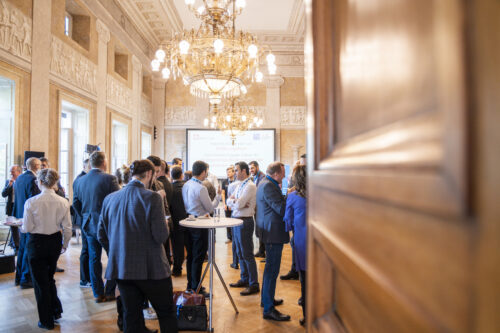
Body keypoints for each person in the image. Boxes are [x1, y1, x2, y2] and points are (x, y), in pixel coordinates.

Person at [98, 159, 178, 333]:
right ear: (149, 174)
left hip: (122, 267)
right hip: (152, 268)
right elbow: (160, 236)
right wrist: (166, 223)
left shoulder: (110, 199)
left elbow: (101, 235)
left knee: (131, 314)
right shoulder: (153, 197)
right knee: (166, 312)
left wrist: (117, 252)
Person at [22, 168, 72, 330]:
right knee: (49, 278)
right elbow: (68, 228)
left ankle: (46, 320)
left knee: (40, 283)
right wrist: (64, 244)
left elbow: (27, 227)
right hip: (54, 242)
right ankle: (55, 311)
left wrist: (21, 226)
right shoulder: (63, 202)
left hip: (37, 242)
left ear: (41, 182)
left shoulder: (31, 202)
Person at [73, 151, 120, 303]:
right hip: (106, 224)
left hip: (88, 224)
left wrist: (85, 215)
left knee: (94, 258)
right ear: (104, 162)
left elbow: (76, 203)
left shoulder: (79, 180)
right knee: (114, 257)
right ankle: (111, 291)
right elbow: (117, 202)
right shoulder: (109, 178)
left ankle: (98, 293)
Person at [256, 161, 290, 321]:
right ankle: (269, 309)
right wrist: (291, 196)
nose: (284, 176)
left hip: (269, 231)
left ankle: (266, 300)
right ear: (276, 173)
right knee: (272, 270)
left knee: (270, 269)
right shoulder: (269, 185)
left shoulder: (265, 182)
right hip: (273, 233)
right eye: (283, 173)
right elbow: (281, 209)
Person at [182, 160, 221, 297]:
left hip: (188, 221)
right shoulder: (201, 188)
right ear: (203, 172)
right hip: (200, 223)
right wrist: (218, 196)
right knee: (198, 257)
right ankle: (196, 287)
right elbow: (211, 208)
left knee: (191, 256)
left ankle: (190, 285)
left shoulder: (186, 184)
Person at [227, 162, 260, 296]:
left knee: (247, 253)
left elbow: (239, 204)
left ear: (244, 171)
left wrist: (236, 202)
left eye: (236, 170)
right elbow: (230, 201)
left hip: (245, 221)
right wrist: (235, 202)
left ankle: (253, 284)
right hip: (237, 220)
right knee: (239, 252)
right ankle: (244, 278)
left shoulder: (251, 186)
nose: (235, 173)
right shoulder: (240, 184)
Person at [284, 164, 307, 326]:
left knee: (305, 280)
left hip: (302, 241)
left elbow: (288, 222)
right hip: (320, 241)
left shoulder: (292, 197)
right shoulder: (321, 194)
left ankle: (307, 316)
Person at [14, 157, 42, 289]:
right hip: (29, 219)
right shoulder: (33, 180)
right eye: (40, 165)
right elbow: (34, 201)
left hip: (19, 217)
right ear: (36, 166)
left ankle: (18, 277)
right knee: (28, 249)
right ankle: (26, 278)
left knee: (22, 249)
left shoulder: (19, 178)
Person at [72, 159, 92, 288]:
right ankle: (84, 279)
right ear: (84, 165)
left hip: (86, 218)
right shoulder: (80, 179)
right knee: (86, 249)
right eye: (90, 165)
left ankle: (88, 277)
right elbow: (76, 202)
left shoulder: (86, 178)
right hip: (85, 218)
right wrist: (84, 216)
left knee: (88, 250)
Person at [169, 166, 188, 277]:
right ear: (182, 175)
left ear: (171, 176)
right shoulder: (187, 187)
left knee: (177, 247)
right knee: (190, 246)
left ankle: (177, 269)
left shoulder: (170, 189)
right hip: (189, 220)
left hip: (175, 222)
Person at [2, 164, 22, 251]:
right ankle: (17, 246)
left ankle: (22, 245)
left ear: (18, 172)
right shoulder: (8, 181)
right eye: (10, 172)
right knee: (12, 226)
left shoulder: (22, 181)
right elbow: (3, 194)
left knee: (21, 226)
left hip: (20, 206)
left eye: (12, 171)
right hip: (11, 207)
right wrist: (9, 185)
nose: (11, 173)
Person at [250, 161, 266, 259]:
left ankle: (264, 253)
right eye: (250, 168)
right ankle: (261, 251)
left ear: (257, 167)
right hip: (257, 208)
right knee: (259, 230)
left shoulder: (262, 177)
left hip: (261, 208)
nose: (251, 170)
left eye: (252, 168)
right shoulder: (255, 177)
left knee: (262, 230)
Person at [221, 166, 235, 243]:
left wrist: (232, 205)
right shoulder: (224, 182)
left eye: (229, 172)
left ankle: (235, 237)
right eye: (227, 172)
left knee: (235, 221)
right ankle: (229, 237)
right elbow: (223, 193)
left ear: (234, 172)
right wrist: (224, 204)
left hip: (234, 205)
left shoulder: (236, 182)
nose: (228, 173)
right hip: (227, 205)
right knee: (228, 221)